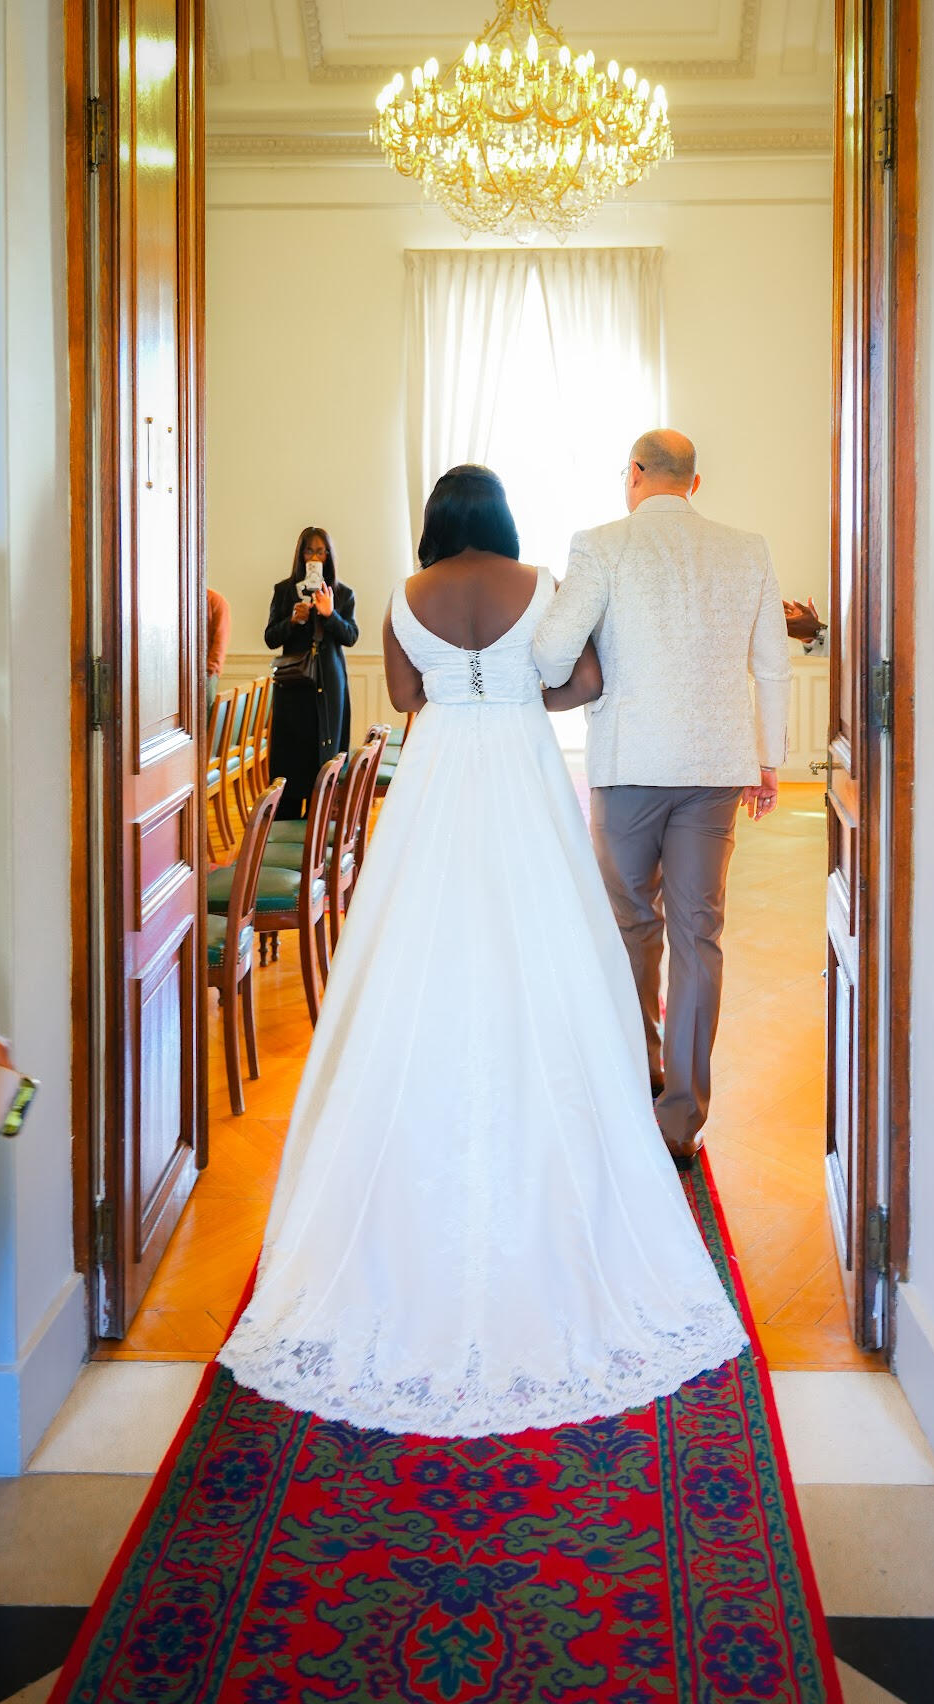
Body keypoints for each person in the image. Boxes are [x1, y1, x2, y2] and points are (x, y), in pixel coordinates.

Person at [220, 466, 747, 1436]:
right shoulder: (541, 585)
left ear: (435, 521)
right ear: (500, 517)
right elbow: (580, 682)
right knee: (544, 938)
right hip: (519, 768)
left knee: (422, 946)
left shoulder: (402, 595)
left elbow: (407, 695)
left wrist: (460, 684)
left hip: (438, 778)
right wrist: (521, 687)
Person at [533, 429, 792, 1167]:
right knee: (698, 934)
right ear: (695, 483)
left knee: (631, 925)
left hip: (628, 766)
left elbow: (551, 654)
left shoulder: (600, 545)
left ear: (636, 475)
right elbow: (773, 665)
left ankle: (635, 1072)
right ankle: (681, 1119)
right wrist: (768, 761)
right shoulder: (747, 549)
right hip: (716, 768)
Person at [264, 527, 358, 818]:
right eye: (309, 551)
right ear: (300, 554)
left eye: (320, 551)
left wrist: (330, 614)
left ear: (328, 555)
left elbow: (351, 636)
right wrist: (292, 620)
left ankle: (318, 829)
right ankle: (285, 823)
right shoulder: (284, 590)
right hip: (293, 688)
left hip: (329, 688)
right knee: (290, 760)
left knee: (325, 755)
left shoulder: (342, 594)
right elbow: (270, 638)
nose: (314, 557)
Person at [206, 585, 231, 717]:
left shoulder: (215, 601)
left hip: (207, 673)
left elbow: (220, 639)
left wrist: (210, 670)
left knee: (205, 716)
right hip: (180, 674)